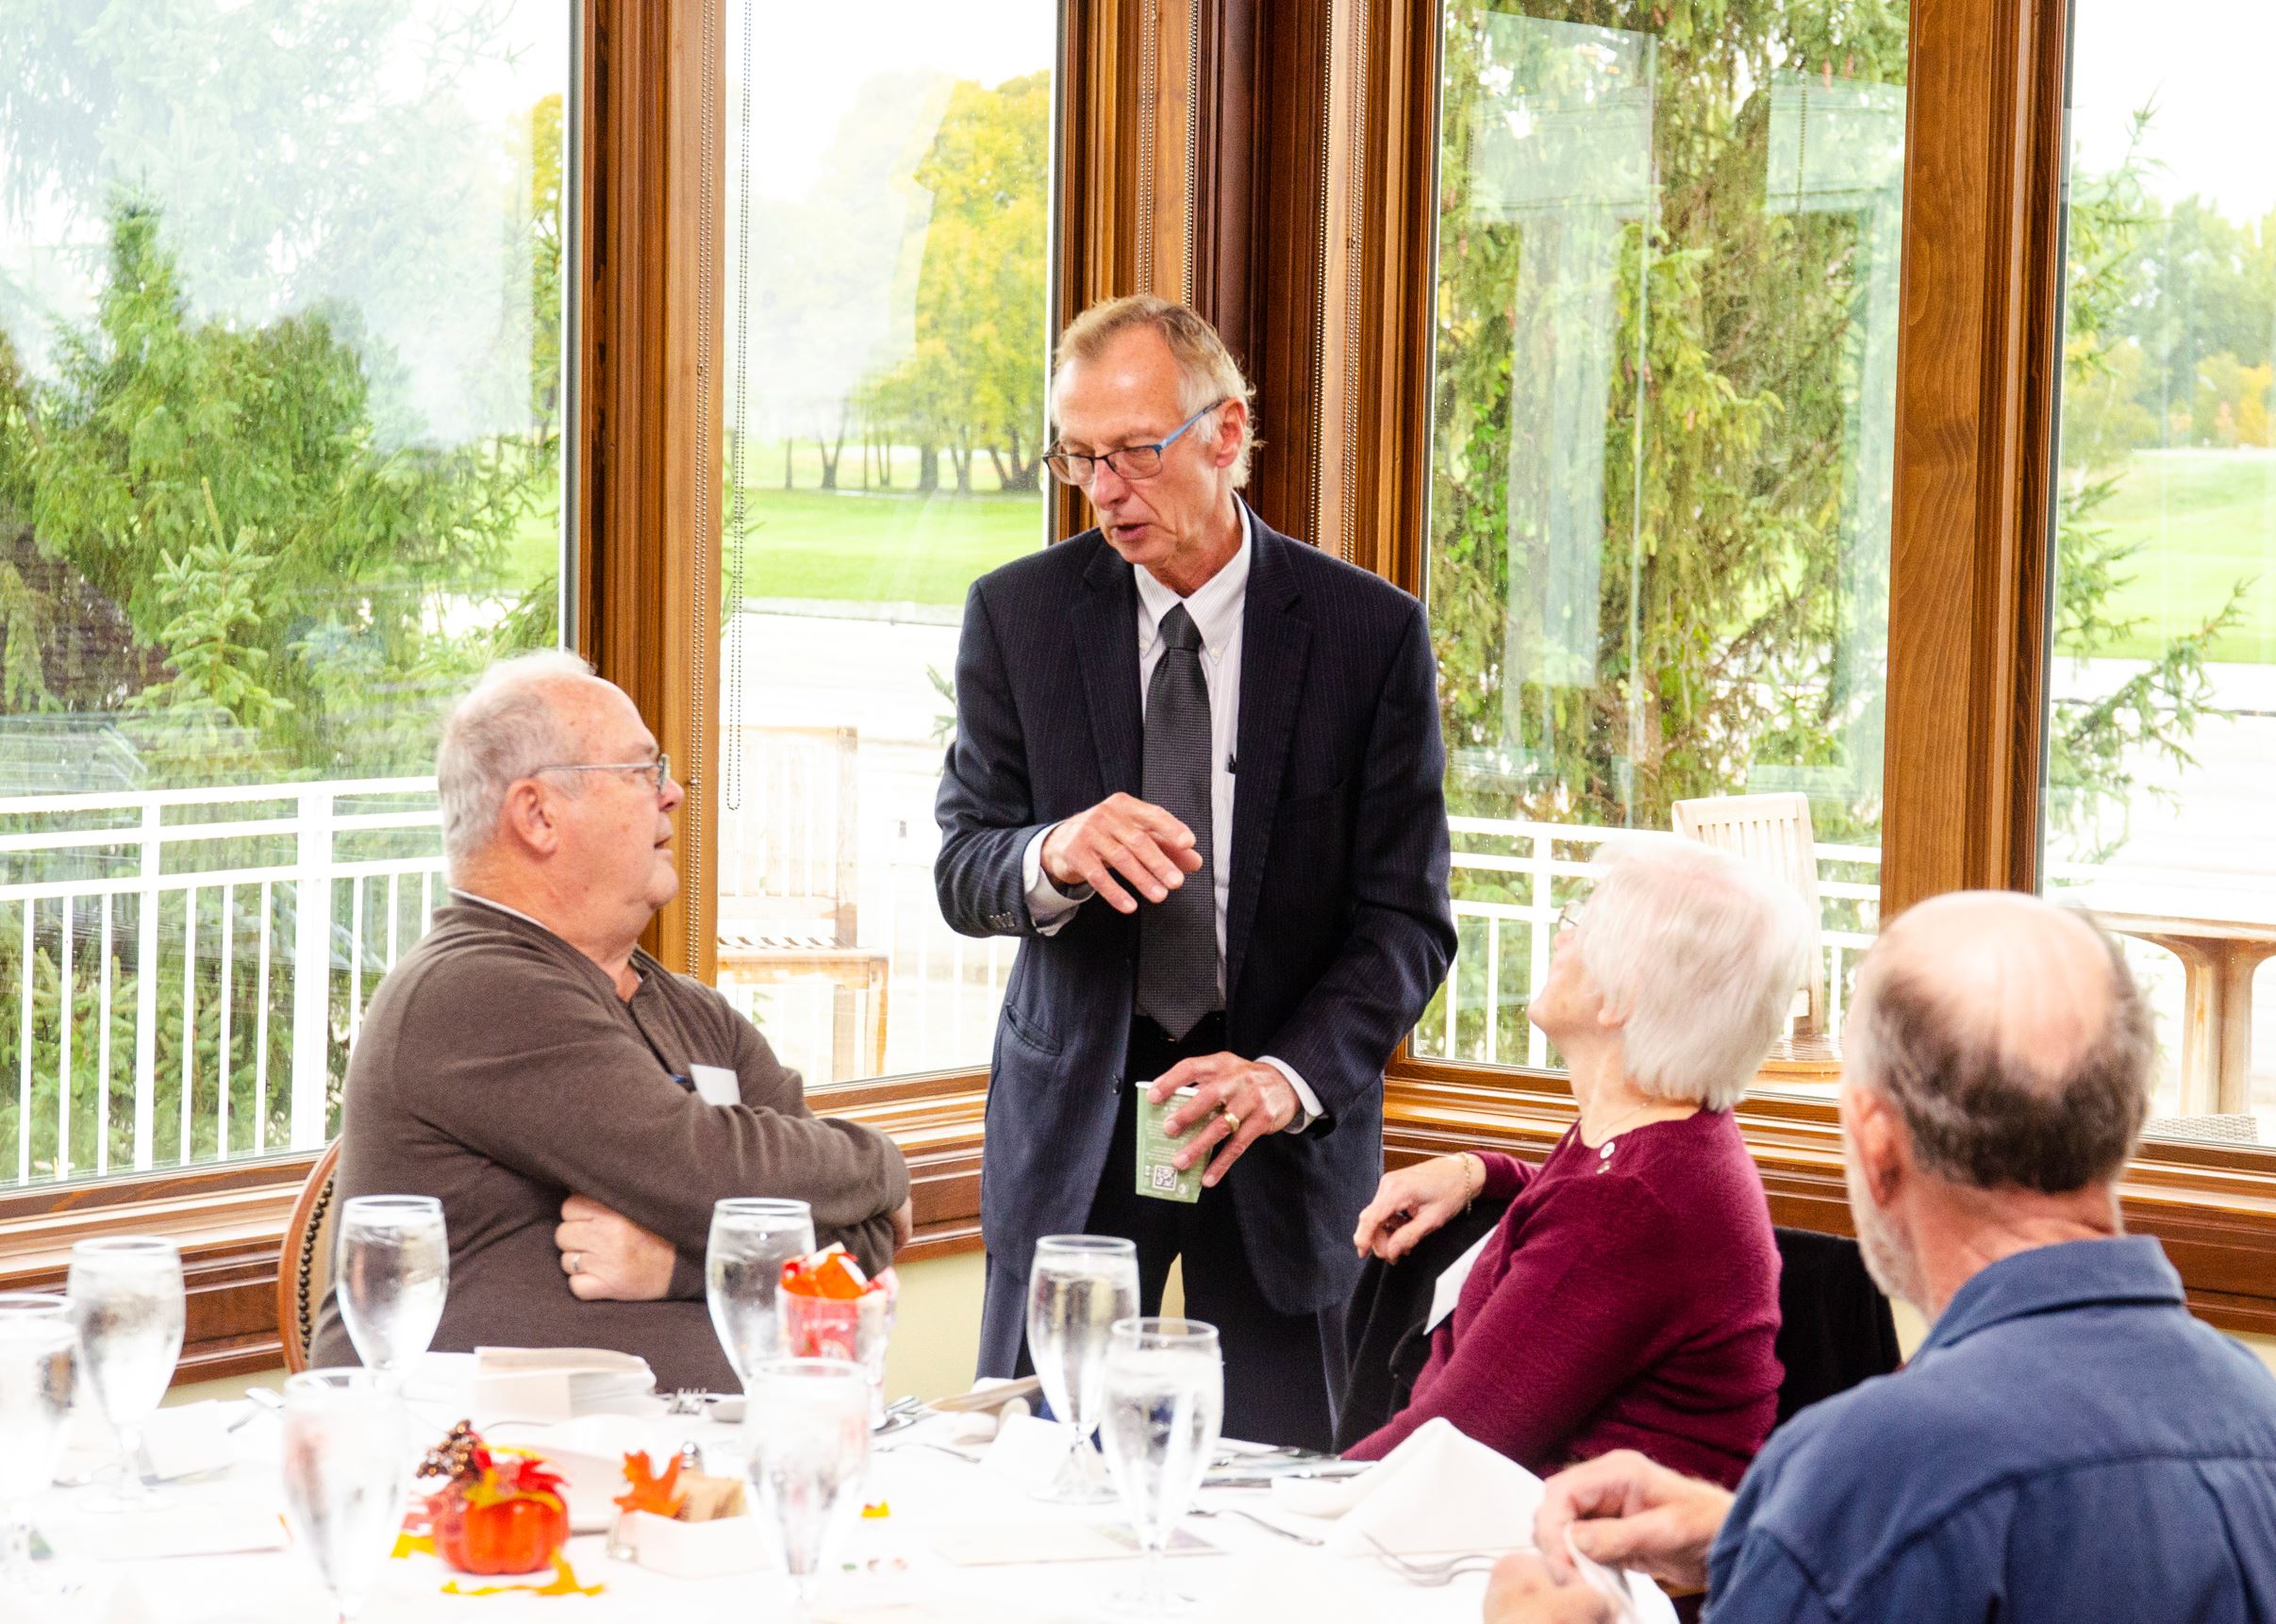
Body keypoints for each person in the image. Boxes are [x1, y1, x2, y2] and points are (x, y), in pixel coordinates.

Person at [1485, 891, 2276, 1624]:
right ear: (2121, 1124)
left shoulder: (1878, 1470)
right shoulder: (2264, 1426)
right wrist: (1760, 1536)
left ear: (1879, 1144)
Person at [935, 295, 1456, 1448]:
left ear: (1225, 436)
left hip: (1273, 1135)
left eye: (1132, 452)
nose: (1105, 489)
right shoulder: (1014, 618)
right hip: (1075, 1124)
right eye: (1078, 458)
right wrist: (1049, 854)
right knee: (1032, 1470)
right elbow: (964, 863)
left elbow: (1405, 924)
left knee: (1279, 1485)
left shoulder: (1368, 636)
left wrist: (1285, 1077)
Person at [308, 652, 911, 1392]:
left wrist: (679, 1267)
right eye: (641, 773)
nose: (675, 795)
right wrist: (882, 1164)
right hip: (483, 1476)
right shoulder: (472, 989)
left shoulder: (694, 1014)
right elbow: (706, 1170)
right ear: (537, 814)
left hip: (706, 1467)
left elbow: (864, 1239)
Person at [1345, 835, 1805, 1481]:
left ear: (1623, 998)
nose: (1562, 940)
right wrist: (1479, 1173)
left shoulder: (1627, 1204)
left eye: (1579, 927)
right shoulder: (1663, 1135)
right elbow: (1582, 1221)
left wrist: (1268, 1507)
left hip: (1583, 1564)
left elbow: (1443, 1451)